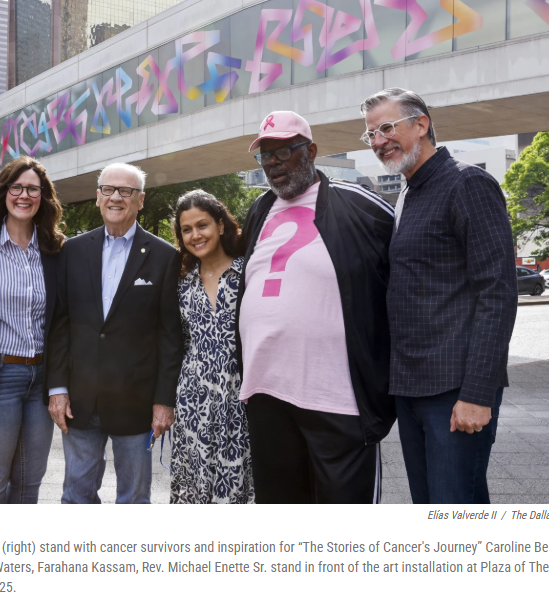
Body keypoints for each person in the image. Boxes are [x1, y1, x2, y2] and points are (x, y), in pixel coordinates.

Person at [359, 87, 518, 504]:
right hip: (410, 388)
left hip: (455, 391)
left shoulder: (468, 184)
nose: (378, 141)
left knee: (455, 507)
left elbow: (497, 294)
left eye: (387, 128)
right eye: (371, 134)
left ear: (422, 124)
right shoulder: (407, 195)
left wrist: (477, 395)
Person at [235, 111, 396, 504]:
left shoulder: (358, 203)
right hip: (267, 392)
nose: (273, 163)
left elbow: (410, 262)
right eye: (265, 155)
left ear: (311, 151)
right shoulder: (259, 208)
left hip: (335, 397)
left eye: (284, 152)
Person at [46, 162, 183, 504]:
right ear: (97, 197)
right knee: (76, 496)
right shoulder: (72, 251)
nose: (116, 197)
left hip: (137, 404)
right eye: (109, 189)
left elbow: (170, 336)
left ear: (140, 200)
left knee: (134, 499)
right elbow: (60, 324)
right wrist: (58, 388)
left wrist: (165, 400)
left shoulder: (165, 257)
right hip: (80, 399)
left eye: (127, 191)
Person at [0, 156, 65, 504]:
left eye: (32, 189)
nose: (24, 195)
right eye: (16, 187)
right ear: (3, 192)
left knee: (28, 483)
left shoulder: (55, 248)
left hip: (42, 381)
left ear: (43, 196)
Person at [170, 190, 253, 504]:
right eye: (186, 229)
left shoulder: (249, 273)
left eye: (202, 225)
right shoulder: (182, 283)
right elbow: (178, 342)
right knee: (196, 482)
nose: (195, 235)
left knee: (243, 482)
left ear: (220, 225)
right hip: (194, 403)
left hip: (243, 398)